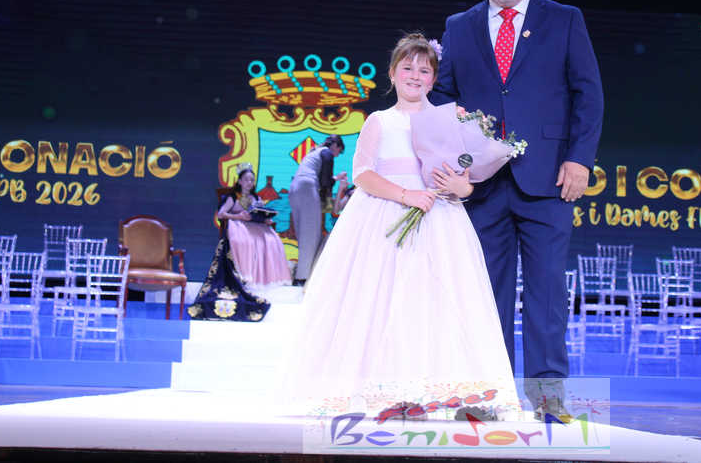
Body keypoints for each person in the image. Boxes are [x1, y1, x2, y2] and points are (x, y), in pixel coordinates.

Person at [277, 34, 519, 420]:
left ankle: (436, 393)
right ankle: (385, 393)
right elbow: (362, 174)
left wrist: (460, 187)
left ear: (434, 78)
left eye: (424, 70)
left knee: (436, 304)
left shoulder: (451, 119)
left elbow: (465, 180)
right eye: (407, 68)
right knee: (379, 303)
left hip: (440, 221)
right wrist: (407, 195)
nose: (415, 76)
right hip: (385, 220)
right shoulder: (380, 121)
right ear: (392, 73)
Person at [430, 0, 604, 415]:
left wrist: (579, 159)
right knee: (486, 293)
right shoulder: (460, 26)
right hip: (481, 187)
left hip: (547, 179)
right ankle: (491, 396)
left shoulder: (565, 19)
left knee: (547, 291)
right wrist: (462, 153)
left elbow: (588, 95)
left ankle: (548, 397)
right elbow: (443, 98)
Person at [188, 165, 291, 321]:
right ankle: (244, 274)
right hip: (238, 225)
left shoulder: (256, 198)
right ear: (240, 181)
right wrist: (238, 216)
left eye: (252, 180)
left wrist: (266, 219)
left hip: (255, 226)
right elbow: (221, 214)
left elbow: (260, 214)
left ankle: (262, 276)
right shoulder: (233, 197)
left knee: (272, 240)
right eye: (246, 180)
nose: (250, 183)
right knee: (242, 241)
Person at [289, 134, 344, 284]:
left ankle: (300, 273)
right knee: (310, 235)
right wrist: (337, 178)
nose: (337, 155)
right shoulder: (327, 153)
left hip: (294, 188)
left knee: (302, 234)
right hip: (307, 187)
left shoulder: (313, 152)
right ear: (335, 145)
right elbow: (325, 182)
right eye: (339, 151)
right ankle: (302, 277)